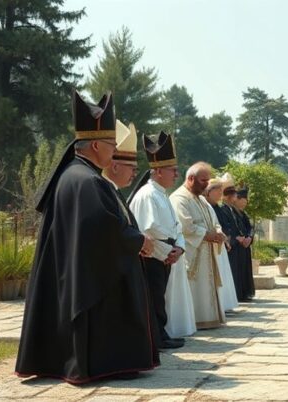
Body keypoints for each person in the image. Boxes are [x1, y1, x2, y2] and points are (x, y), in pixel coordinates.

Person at [15, 91, 156, 383]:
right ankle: (102, 363)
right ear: (95, 145)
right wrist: (138, 241)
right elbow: (103, 229)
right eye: (112, 144)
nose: (115, 149)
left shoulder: (76, 175)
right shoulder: (88, 180)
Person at [102, 119, 161, 365]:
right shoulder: (103, 187)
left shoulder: (113, 190)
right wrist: (140, 242)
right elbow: (109, 229)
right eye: (132, 168)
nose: (135, 174)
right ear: (115, 166)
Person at [129, 131, 195, 347]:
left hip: (165, 254)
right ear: (157, 171)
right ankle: (155, 337)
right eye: (172, 170)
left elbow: (175, 228)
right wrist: (167, 253)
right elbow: (147, 231)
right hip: (152, 257)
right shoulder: (147, 195)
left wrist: (180, 249)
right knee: (153, 297)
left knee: (159, 297)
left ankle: (160, 334)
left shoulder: (162, 195)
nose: (176, 175)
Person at [169, 162, 225, 329]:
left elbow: (214, 221)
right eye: (203, 181)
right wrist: (209, 235)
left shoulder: (201, 199)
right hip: (192, 253)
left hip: (207, 251)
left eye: (208, 181)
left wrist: (218, 231)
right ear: (191, 178)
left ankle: (210, 318)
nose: (206, 185)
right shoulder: (179, 199)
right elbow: (186, 227)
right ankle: (194, 321)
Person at [204, 174, 239, 313]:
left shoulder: (217, 207)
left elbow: (220, 225)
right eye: (217, 190)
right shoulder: (206, 206)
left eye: (220, 190)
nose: (220, 193)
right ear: (208, 191)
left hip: (221, 244)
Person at [216, 183, 255, 302]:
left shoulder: (238, 212)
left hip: (243, 246)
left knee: (243, 271)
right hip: (233, 247)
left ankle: (244, 293)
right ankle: (236, 295)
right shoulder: (223, 210)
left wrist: (249, 237)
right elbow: (224, 228)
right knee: (234, 272)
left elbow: (249, 228)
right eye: (235, 196)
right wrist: (235, 238)